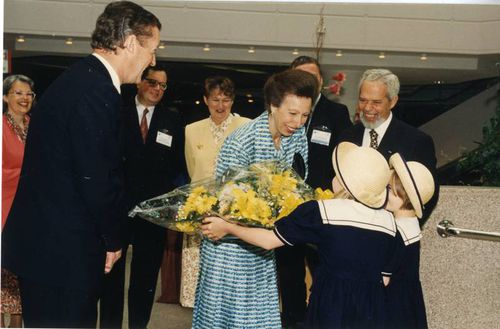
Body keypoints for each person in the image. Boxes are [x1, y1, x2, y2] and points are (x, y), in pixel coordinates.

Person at [1, 2, 161, 328]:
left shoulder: (78, 79)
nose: (153, 60)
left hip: (48, 250)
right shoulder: (97, 92)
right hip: (63, 256)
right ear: (131, 43)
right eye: (152, 50)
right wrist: (113, 241)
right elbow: (98, 180)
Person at [201, 142, 399, 329]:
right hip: (373, 308)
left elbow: (269, 241)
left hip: (330, 304)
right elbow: (385, 279)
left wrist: (228, 227)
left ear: (346, 182)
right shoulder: (389, 223)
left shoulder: (321, 211)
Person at [191, 69, 318, 329]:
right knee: (229, 320)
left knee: (260, 320)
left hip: (263, 245)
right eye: (292, 113)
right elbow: (225, 206)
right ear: (273, 105)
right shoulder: (241, 142)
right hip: (228, 247)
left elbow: (298, 185)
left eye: (305, 115)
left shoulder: (298, 137)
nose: (298, 122)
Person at [99, 65, 185, 328]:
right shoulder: (117, 114)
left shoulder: (172, 120)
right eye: (152, 82)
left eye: (163, 85)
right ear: (139, 83)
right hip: (118, 209)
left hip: (153, 212)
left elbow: (178, 166)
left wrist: (172, 203)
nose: (157, 89)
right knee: (111, 276)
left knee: (145, 278)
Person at [275, 56, 352, 328]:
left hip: (323, 208)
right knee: (289, 273)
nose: (307, 82)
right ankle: (292, 321)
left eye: (312, 76)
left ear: (321, 81)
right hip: (287, 208)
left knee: (323, 271)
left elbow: (344, 160)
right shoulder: (279, 113)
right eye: (300, 76)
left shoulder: (337, 114)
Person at [180, 76, 250, 308]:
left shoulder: (246, 127)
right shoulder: (191, 130)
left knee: (228, 286)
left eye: (226, 100)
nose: (221, 106)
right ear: (205, 100)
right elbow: (193, 170)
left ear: (233, 101)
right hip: (200, 214)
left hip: (235, 215)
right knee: (198, 287)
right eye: (215, 100)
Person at [339, 68, 439, 226]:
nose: (367, 107)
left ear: (393, 101)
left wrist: (403, 231)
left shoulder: (417, 141)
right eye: (363, 100)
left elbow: (427, 196)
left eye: (376, 102)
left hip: (392, 235)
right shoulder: (346, 137)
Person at [384, 153, 435, 329]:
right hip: (408, 299)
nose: (383, 193)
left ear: (405, 196)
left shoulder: (396, 233)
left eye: (389, 189)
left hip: (393, 304)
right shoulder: (411, 223)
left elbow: (384, 279)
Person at [1, 74, 35, 328]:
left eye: (29, 94)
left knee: (23, 280)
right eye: (18, 93)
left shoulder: (38, 127)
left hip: (31, 213)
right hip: (4, 210)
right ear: (5, 97)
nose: (25, 98)